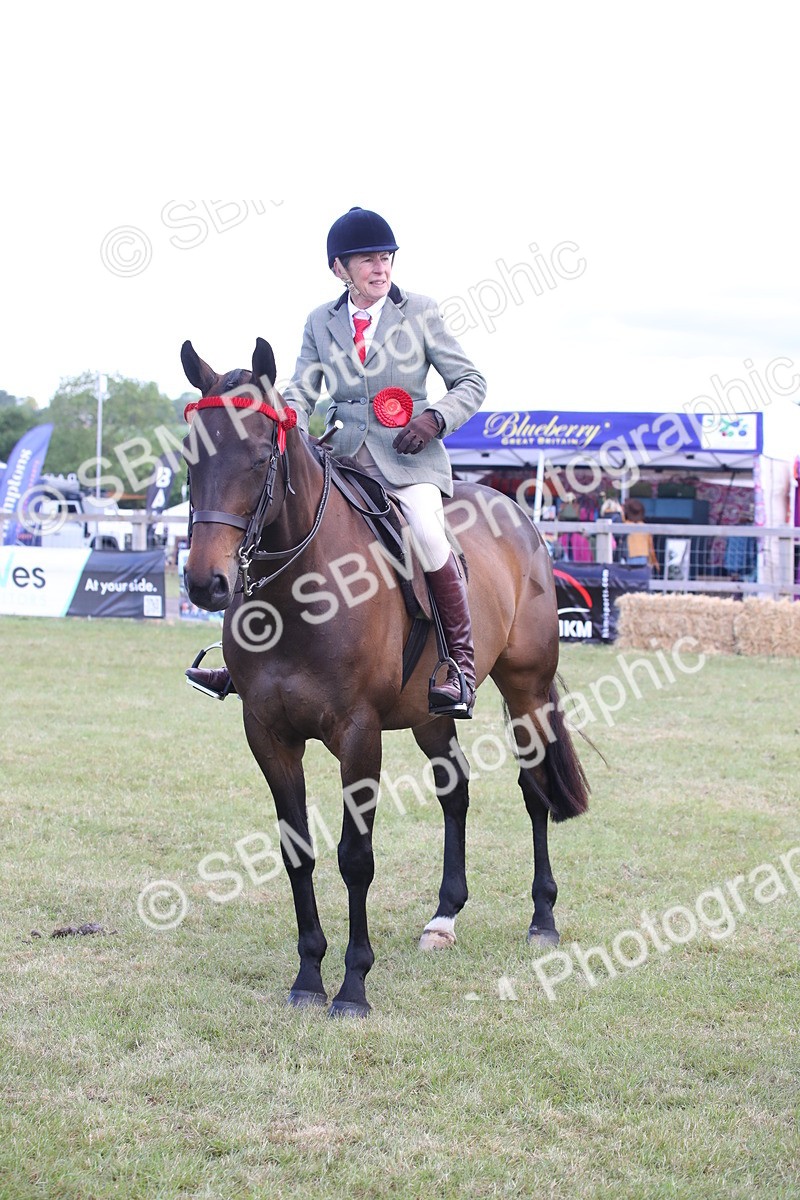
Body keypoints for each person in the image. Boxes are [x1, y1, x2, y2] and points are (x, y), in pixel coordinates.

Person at [187, 207, 487, 718]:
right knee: (271, 532)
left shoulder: (421, 312)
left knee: (429, 535)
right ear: (339, 269)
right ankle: (243, 663)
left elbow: (471, 382)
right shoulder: (319, 322)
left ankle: (458, 663)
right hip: (342, 458)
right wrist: (287, 426)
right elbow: (303, 389)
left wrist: (434, 419)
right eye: (367, 259)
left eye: (386, 257)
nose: (380, 266)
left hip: (409, 462)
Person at [622, 497, 658, 568]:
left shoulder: (625, 525)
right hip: (644, 555)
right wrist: (653, 561)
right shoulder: (645, 527)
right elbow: (650, 546)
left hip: (630, 555)